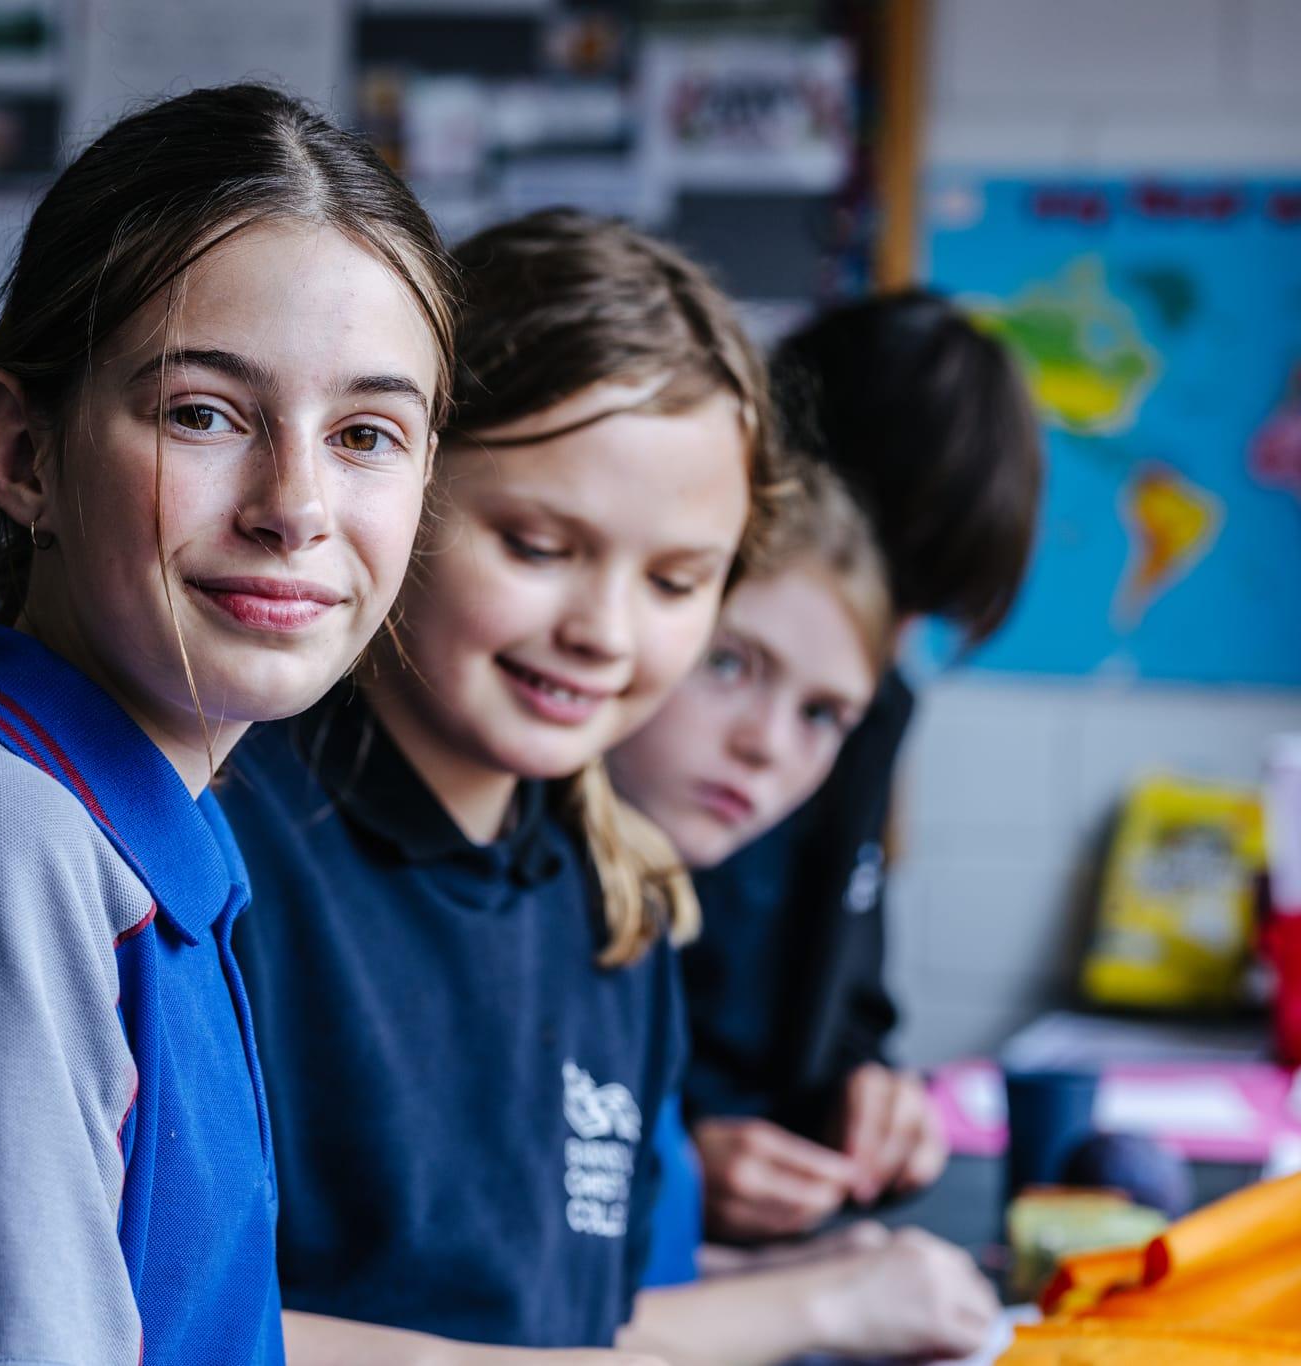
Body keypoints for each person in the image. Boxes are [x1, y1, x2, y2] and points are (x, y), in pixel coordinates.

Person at [0, 84, 458, 1366]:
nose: (297, 506)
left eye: (367, 434)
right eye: (201, 412)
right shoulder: (2, 837)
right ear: (21, 454)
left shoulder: (146, 842)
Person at [223, 209, 779, 1355]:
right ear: (400, 486)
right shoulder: (225, 846)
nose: (603, 632)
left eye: (677, 581)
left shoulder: (617, 904)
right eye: (535, 547)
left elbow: (587, 1329)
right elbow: (148, 1319)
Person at [669, 293, 1044, 1243]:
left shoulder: (873, 705)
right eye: (736, 664)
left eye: (827, 710)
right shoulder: (640, 715)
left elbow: (847, 972)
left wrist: (871, 1088)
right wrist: (667, 1166)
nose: (878, 649)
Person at [610, 459, 1002, 1364]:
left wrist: (800, 1273)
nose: (765, 745)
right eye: (729, 664)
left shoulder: (642, 910)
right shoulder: (548, 910)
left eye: (823, 714)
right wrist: (819, 1300)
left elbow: (594, 1286)